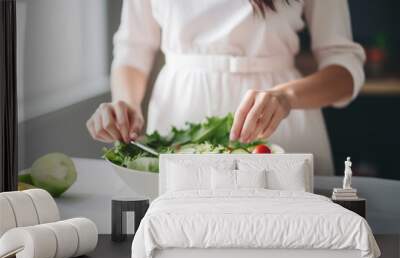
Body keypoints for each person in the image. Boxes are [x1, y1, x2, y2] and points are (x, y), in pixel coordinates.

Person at [86, 0, 365, 175]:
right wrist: (126, 105)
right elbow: (132, 51)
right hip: (179, 116)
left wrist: (287, 96)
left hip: (281, 125)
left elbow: (345, 70)